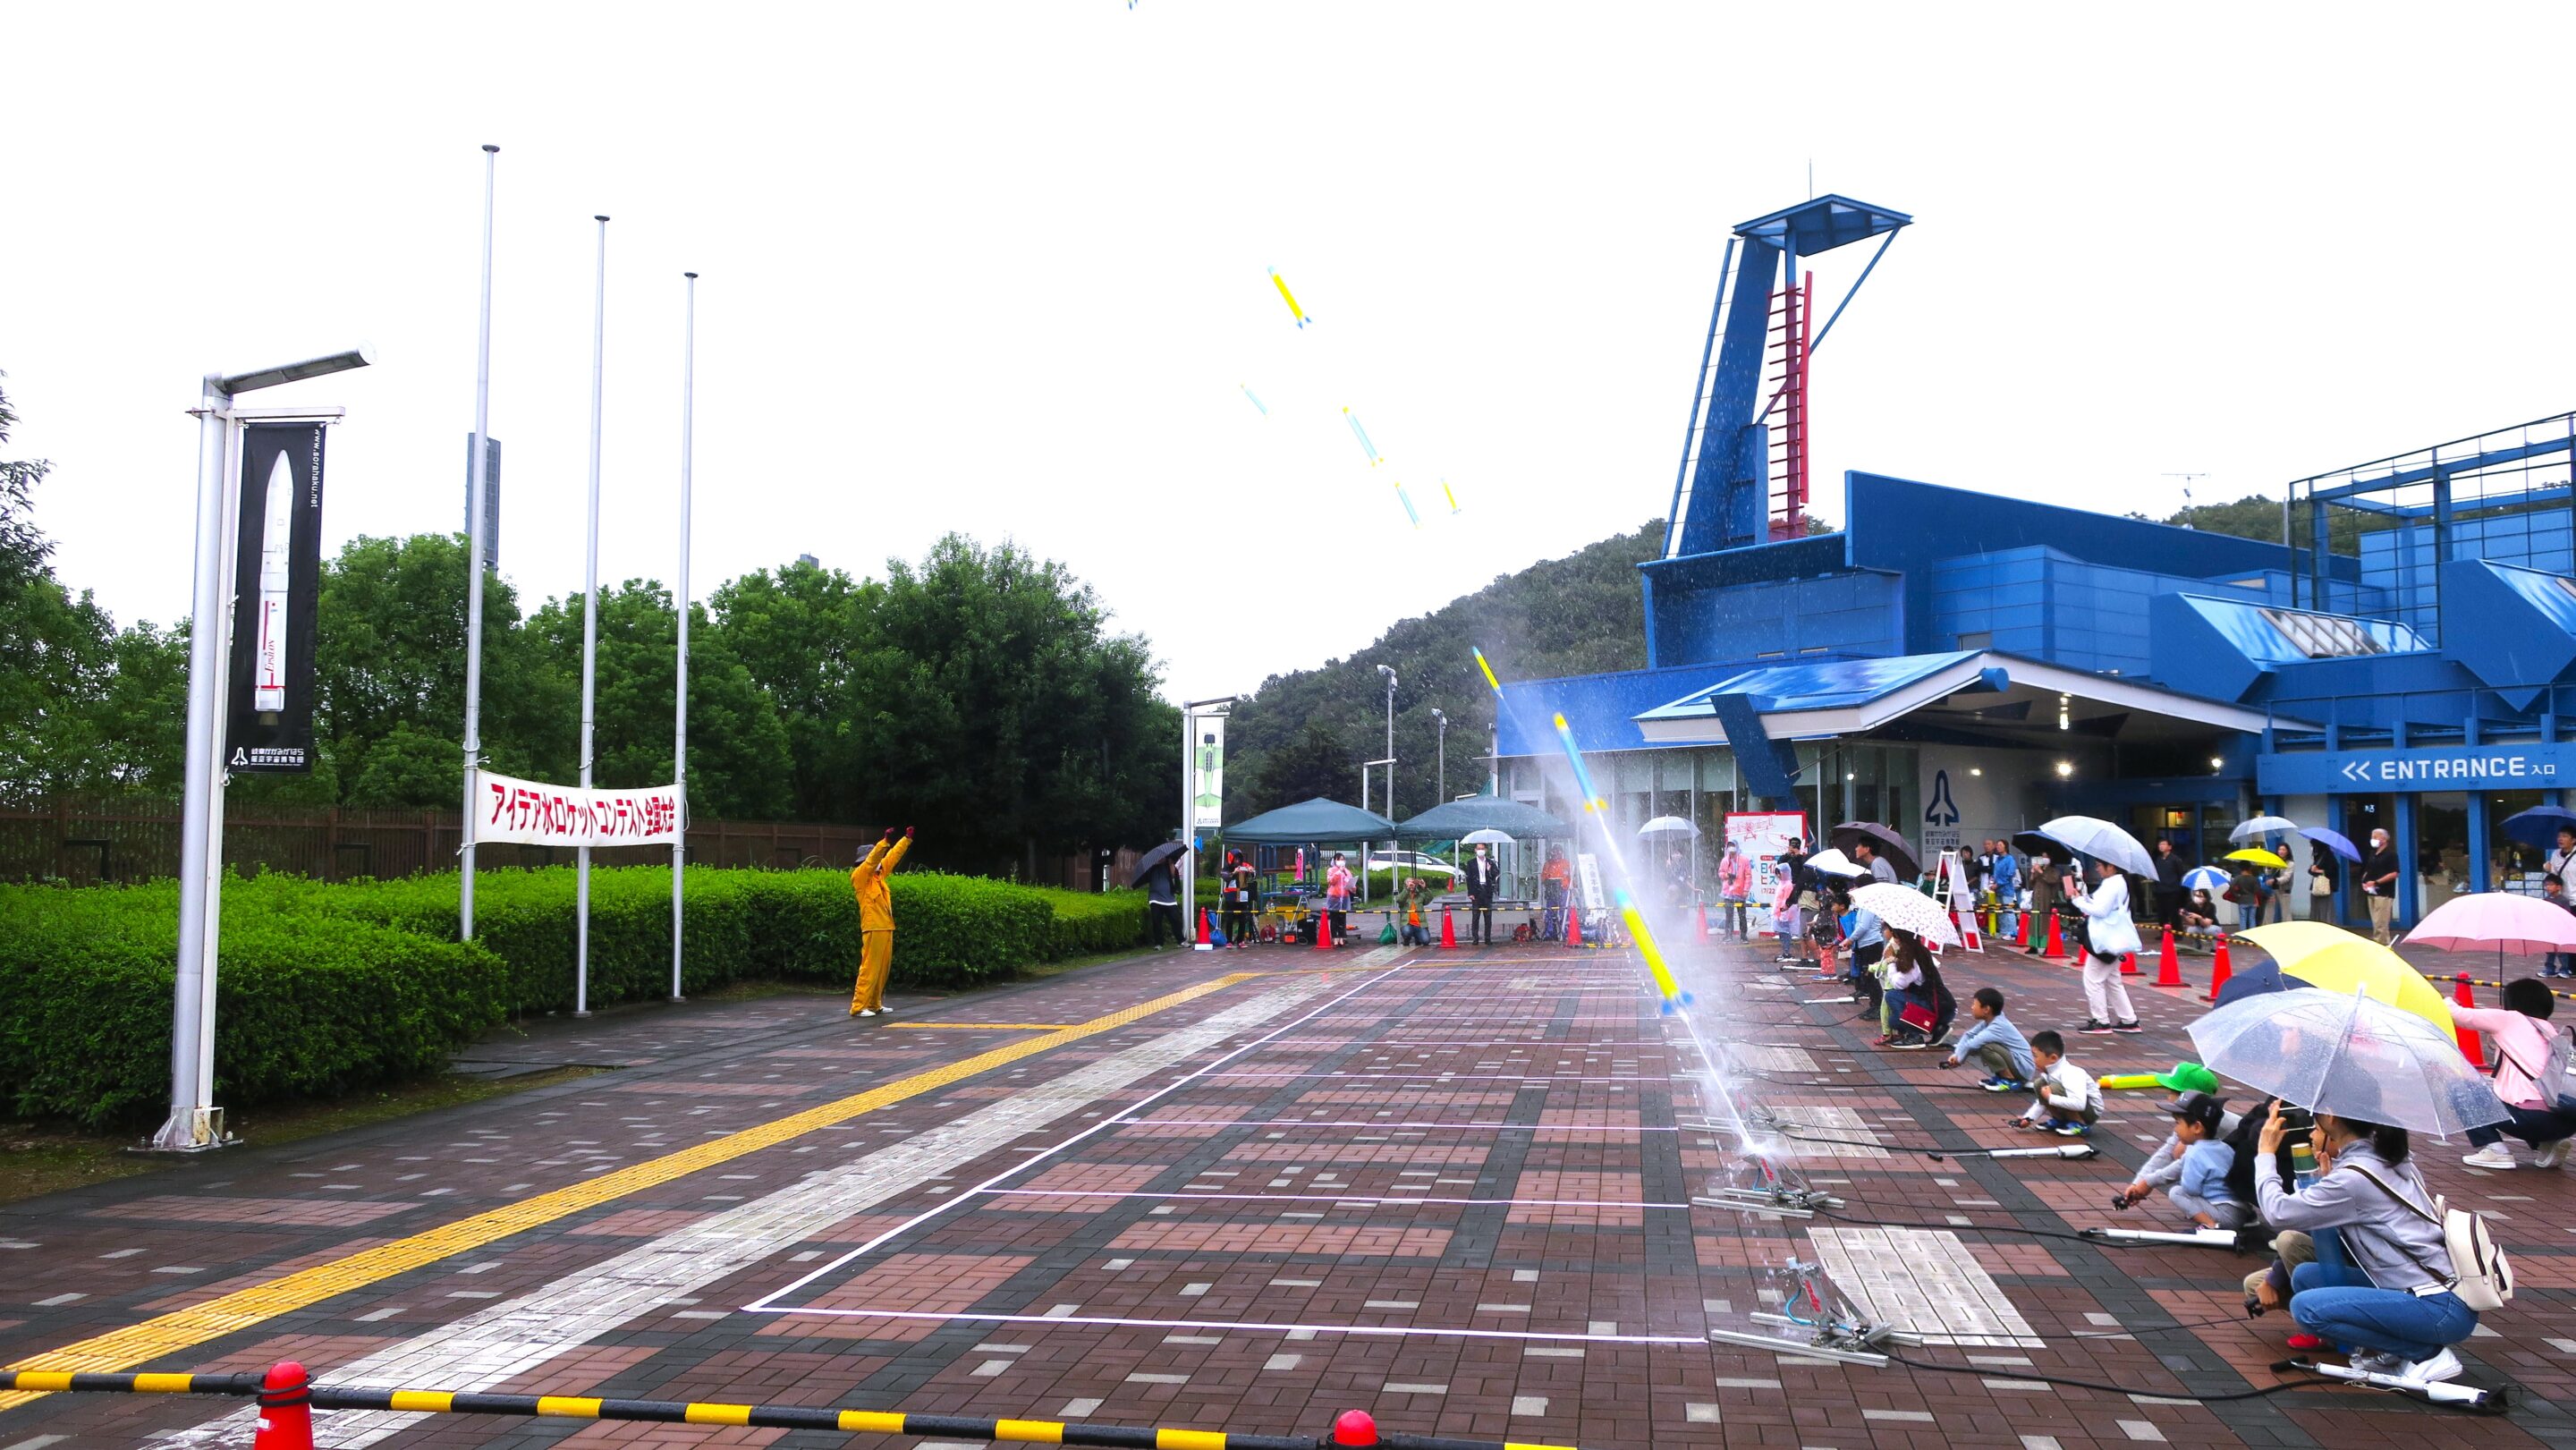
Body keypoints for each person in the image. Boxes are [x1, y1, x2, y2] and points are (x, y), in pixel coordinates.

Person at [2256, 1103, 2479, 1385]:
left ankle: (2424, 1354)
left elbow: (2277, 1212)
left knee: (2305, 1308)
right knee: (2305, 1276)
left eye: (2315, 1123)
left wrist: (2265, 1153)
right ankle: (2393, 1351)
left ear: (2330, 1115)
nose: (2314, 1131)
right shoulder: (2387, 1158)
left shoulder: (2354, 1176)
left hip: (2437, 1307)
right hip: (2443, 1295)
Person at [2455, 977, 2576, 1169]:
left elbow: (2459, 1016)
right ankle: (2550, 1143)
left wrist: (2447, 1001)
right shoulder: (2550, 1031)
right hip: (2567, 1120)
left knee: (2461, 1088)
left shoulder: (2511, 1019)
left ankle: (2496, 1151)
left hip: (2531, 1120)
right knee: (2527, 1095)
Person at [2117, 1063, 2242, 1208]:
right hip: (2232, 1176)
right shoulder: (2199, 1118)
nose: (2169, 1097)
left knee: (2181, 1151)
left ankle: (2222, 1209)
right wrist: (2138, 1183)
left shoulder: (2214, 1124)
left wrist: (2148, 1183)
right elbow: (2165, 1153)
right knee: (2179, 1147)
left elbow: (2184, 1161)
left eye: (2173, 1092)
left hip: (2241, 1183)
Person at [2068, 859, 2144, 1034]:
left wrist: (2078, 902)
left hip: (2105, 939)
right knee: (2112, 981)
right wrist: (2084, 898)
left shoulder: (2112, 883)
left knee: (2092, 979)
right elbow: (2104, 905)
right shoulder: (2120, 882)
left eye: (2099, 866)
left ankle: (2101, 1021)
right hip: (2115, 938)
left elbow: (2101, 911)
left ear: (2111, 866)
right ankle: (2129, 1019)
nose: (2097, 869)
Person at [848, 826, 916, 1017]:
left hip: (886, 926)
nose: (879, 864)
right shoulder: (860, 877)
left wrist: (905, 840)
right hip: (873, 927)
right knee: (870, 967)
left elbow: (891, 858)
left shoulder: (879, 877)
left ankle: (875, 1003)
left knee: (882, 969)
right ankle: (859, 1006)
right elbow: (872, 861)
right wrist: (883, 844)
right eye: (875, 861)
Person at [2157, 1091, 2250, 1228]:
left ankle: (2210, 1225)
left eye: (2178, 1123)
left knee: (2177, 1192)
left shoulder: (2195, 1152)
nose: (2175, 1129)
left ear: (2197, 1127)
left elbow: (2191, 1189)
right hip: (2241, 1212)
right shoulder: (2224, 1146)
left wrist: (2185, 1174)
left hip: (2224, 1215)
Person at [1943, 987, 2035, 1090]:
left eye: (1974, 1004)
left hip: (2023, 1068)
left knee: (1987, 1047)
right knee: (1981, 1046)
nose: (1972, 1007)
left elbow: (1971, 1044)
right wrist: (1957, 1054)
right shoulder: (1991, 1021)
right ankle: (2001, 1077)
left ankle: (2009, 1080)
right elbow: (1968, 1035)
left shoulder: (1998, 1026)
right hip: (2019, 1064)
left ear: (1986, 1009)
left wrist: (1959, 1060)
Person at [2012, 1030, 2099, 1135]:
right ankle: (2060, 1120)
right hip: (2077, 1106)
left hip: (2089, 1112)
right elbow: (2042, 1101)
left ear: (2053, 1058)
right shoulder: (2048, 1073)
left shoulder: (2071, 1073)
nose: (2033, 1060)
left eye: (2036, 1056)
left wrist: (2050, 1097)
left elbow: (2079, 1104)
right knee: (2039, 1084)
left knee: (2053, 1088)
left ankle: (2079, 1124)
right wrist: (2029, 1118)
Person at [1880, 927, 1954, 1048]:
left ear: (1901, 938)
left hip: (1938, 1008)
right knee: (1896, 1005)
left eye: (1895, 936)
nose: (1894, 939)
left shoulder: (1912, 956)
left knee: (1892, 1003)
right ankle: (1938, 1029)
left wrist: (1891, 961)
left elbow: (1899, 984)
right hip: (1944, 1005)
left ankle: (1914, 1036)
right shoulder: (1920, 950)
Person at [2360, 827, 2400, 943]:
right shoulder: (2373, 853)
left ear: (2384, 838)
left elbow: (2394, 873)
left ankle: (2381, 943)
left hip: (2384, 892)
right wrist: (2364, 881)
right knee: (2375, 921)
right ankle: (2382, 941)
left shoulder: (2391, 855)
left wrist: (2376, 882)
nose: (2373, 839)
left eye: (2375, 837)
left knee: (2381, 923)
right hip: (2371, 891)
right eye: (2372, 837)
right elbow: (2368, 869)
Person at [1140, 848, 1184, 950]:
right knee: (1157, 921)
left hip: (1169, 898)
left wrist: (1170, 863)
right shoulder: (1151, 866)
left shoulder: (1169, 864)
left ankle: (1181, 940)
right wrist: (1156, 863)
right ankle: (1158, 943)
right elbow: (1146, 875)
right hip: (1155, 898)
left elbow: (1173, 875)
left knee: (1175, 920)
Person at [1463, 841, 1501, 945]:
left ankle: (1487, 938)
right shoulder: (1471, 863)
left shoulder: (1490, 862)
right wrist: (1470, 892)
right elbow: (1469, 878)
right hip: (1476, 890)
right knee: (1475, 916)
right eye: (1478, 849)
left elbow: (1495, 875)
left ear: (1486, 850)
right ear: (1475, 850)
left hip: (1487, 890)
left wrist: (1489, 870)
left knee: (1488, 916)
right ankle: (1475, 938)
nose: (1480, 851)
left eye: (1482, 849)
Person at [1717, 843, 1753, 942]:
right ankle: (1728, 935)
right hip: (1728, 892)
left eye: (1734, 853)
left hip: (1740, 892)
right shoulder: (1725, 860)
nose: (1732, 855)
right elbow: (1720, 873)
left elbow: (1748, 876)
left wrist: (1746, 890)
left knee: (1742, 915)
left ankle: (1743, 936)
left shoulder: (1744, 860)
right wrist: (1727, 875)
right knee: (1729, 915)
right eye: (1730, 853)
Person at [2023, 852, 2058, 954]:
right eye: (2042, 857)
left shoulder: (2053, 871)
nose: (2044, 859)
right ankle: (2033, 945)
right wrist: (2033, 873)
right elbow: (2031, 883)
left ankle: (2045, 945)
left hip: (2046, 899)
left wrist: (2040, 871)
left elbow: (2052, 880)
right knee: (2034, 921)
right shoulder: (2039, 868)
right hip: (2036, 899)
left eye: (2046, 857)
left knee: (2044, 922)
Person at [1988, 842, 2021, 942]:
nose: (1998, 847)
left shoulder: (2010, 859)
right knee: (2000, 911)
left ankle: (2011, 932)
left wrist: (1998, 884)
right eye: (1997, 845)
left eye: (2000, 845)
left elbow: (2009, 874)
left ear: (2006, 847)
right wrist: (1992, 882)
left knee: (2008, 911)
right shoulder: (1998, 859)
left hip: (2006, 889)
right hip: (1998, 889)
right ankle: (2003, 931)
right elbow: (1995, 873)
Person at [2152, 837, 2187, 931]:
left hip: (2172, 890)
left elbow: (2181, 874)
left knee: (2173, 913)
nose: (2161, 846)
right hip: (2160, 890)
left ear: (2169, 847)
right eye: (2160, 844)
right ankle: (2163, 932)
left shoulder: (2175, 860)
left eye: (2163, 844)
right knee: (2161, 913)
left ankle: (2177, 932)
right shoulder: (2158, 859)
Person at [1226, 852, 1259, 950]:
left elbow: (1254, 873)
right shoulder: (1227, 868)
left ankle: (1241, 940)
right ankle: (1229, 941)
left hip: (1243, 895)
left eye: (1239, 859)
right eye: (1235, 859)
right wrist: (1234, 873)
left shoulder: (1245, 866)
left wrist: (1251, 871)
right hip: (1231, 896)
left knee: (1242, 919)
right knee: (1230, 919)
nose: (1237, 861)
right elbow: (1225, 877)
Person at [1540, 848, 1571, 941]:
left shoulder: (1566, 863)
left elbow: (1571, 877)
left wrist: (1567, 885)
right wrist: (1549, 882)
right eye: (1554, 854)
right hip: (1551, 891)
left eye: (1558, 854)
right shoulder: (1548, 864)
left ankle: (1565, 932)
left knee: (1564, 912)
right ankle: (1550, 932)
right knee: (1550, 912)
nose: (1556, 856)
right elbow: (1543, 878)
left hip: (1563, 891)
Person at [1325, 852, 1356, 944]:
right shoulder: (1331, 870)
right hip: (1334, 897)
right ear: (1335, 861)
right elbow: (1331, 881)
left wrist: (1353, 887)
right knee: (1334, 918)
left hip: (1344, 897)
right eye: (1339, 859)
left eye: (1343, 859)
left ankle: (1342, 937)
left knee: (1342, 918)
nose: (1341, 861)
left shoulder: (1347, 871)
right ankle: (1335, 937)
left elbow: (1351, 883)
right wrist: (1338, 873)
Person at [2224, 861, 2262, 934]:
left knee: (2243, 919)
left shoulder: (2238, 878)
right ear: (2250, 868)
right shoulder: (2254, 879)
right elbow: (2257, 890)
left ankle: (2243, 935)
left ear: (2240, 868)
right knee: (2252, 919)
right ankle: (2252, 935)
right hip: (2252, 900)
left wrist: (2236, 895)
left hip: (2242, 900)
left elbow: (2231, 887)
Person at [2307, 842, 2341, 922]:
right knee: (2316, 908)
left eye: (2312, 845)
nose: (2311, 848)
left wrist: (2319, 871)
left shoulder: (2328, 856)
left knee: (2325, 909)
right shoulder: (2318, 857)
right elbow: (2311, 871)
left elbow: (2332, 871)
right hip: (2317, 887)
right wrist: (2313, 869)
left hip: (2326, 887)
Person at [1397, 875, 1430, 946]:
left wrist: (1425, 888)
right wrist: (1408, 889)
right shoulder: (1403, 895)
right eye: (1409, 883)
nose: (1411, 885)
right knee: (1407, 932)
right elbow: (1399, 900)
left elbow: (1429, 899)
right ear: (1405, 884)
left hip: (1420, 924)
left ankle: (1417, 938)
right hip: (1407, 923)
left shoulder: (1420, 895)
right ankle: (1406, 940)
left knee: (1426, 941)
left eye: (1413, 883)